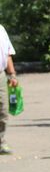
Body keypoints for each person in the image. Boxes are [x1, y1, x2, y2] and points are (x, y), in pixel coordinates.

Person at [0, 23, 17, 155]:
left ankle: (1, 141)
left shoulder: (1, 29)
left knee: (3, 109)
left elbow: (8, 53)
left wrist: (12, 74)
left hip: (0, 74)